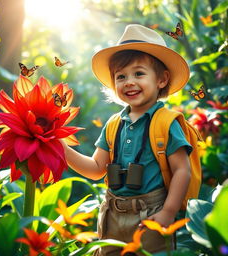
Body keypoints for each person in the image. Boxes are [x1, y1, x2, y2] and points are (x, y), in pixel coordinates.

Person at [61, 24, 192, 255]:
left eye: (139, 73)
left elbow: (182, 170)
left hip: (151, 214)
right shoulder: (113, 125)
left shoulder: (166, 122)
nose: (128, 82)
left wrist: (168, 212)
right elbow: (96, 169)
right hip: (112, 214)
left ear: (162, 80)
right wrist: (60, 147)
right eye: (120, 76)